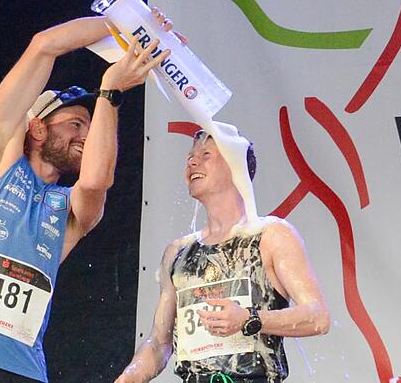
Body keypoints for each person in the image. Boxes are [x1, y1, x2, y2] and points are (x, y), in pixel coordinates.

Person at [0, 14, 172, 382]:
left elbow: (96, 179)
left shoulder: (67, 209)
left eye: (91, 126)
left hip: (27, 370)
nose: (87, 136)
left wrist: (111, 93)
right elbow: (44, 45)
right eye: (76, 124)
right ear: (38, 128)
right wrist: (128, 22)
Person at [116, 129, 331, 383]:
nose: (192, 162)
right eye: (190, 156)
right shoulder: (178, 253)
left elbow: (317, 317)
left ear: (235, 166)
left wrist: (250, 319)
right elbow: (159, 343)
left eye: (206, 154)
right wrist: (129, 377)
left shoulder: (270, 236)